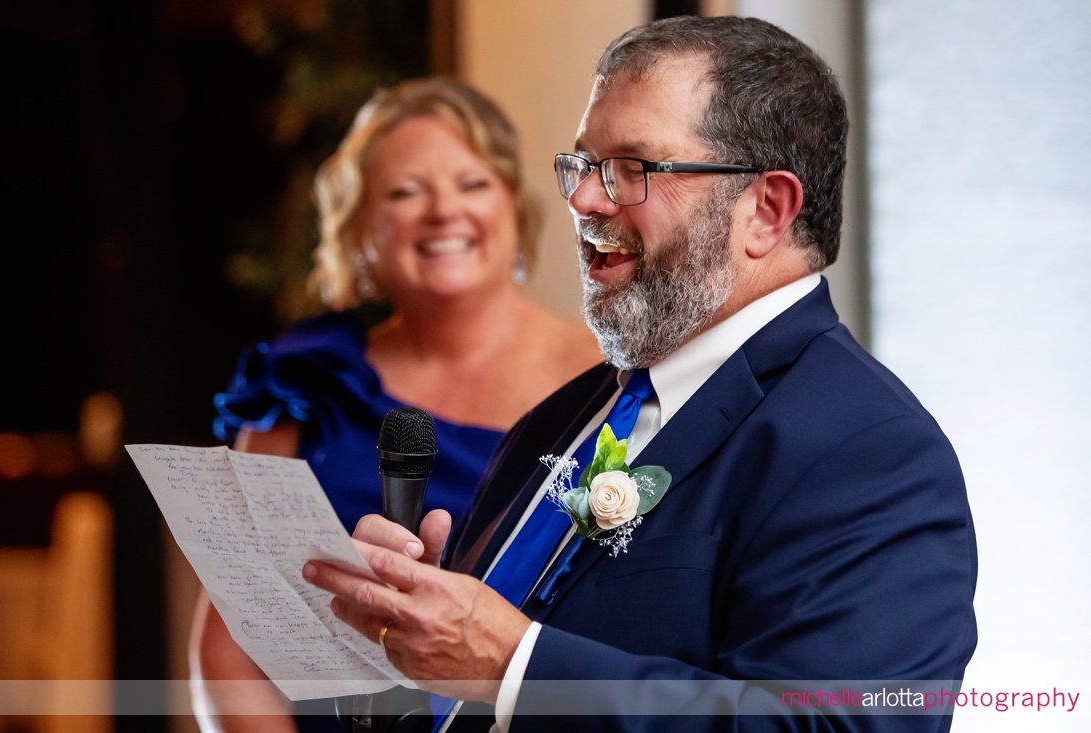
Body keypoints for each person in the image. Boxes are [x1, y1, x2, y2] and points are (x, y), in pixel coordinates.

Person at [304, 15, 978, 733]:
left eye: (634, 168)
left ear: (767, 210)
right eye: (585, 164)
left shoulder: (873, 453)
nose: (585, 200)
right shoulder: (565, 414)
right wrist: (404, 633)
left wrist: (514, 664)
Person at [188, 77, 602, 733]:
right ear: (361, 231)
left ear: (513, 209)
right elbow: (229, 646)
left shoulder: (608, 377)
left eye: (472, 184)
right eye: (406, 192)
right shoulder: (306, 382)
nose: (443, 211)